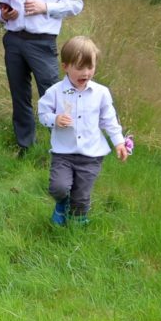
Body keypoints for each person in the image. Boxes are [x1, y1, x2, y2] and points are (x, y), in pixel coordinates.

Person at [0, 0, 83, 157]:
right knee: (19, 95)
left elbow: (75, 4)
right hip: (14, 40)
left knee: (53, 93)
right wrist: (5, 13)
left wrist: (46, 7)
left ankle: (66, 145)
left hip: (42, 41)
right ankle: (26, 145)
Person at [38, 36, 128, 226]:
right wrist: (55, 119)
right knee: (59, 187)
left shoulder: (101, 93)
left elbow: (109, 120)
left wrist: (119, 142)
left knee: (81, 195)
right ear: (65, 67)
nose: (86, 73)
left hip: (91, 155)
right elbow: (42, 113)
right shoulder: (55, 92)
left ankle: (76, 225)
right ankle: (62, 203)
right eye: (79, 67)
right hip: (64, 153)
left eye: (90, 67)